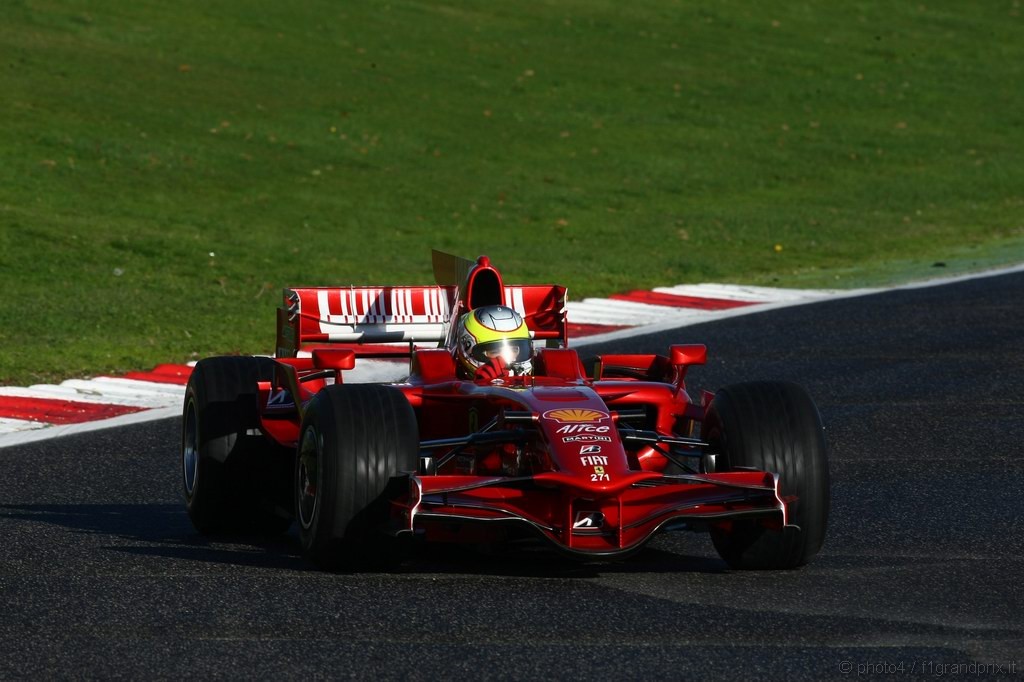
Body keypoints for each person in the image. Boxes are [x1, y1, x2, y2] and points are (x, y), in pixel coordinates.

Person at [454, 305, 534, 381]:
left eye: (514, 350)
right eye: (495, 352)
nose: (505, 360)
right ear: (468, 350)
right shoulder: (451, 389)